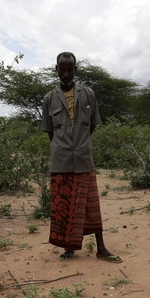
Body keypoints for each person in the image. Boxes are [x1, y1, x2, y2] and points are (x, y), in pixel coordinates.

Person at [41, 52, 121, 263]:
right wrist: (65, 145)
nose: (66, 73)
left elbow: (93, 123)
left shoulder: (88, 94)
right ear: (56, 69)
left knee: (91, 203)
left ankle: (101, 248)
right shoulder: (49, 98)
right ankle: (69, 248)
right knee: (64, 205)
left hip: (84, 157)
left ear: (75, 69)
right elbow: (50, 132)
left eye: (70, 69)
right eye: (62, 69)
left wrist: (80, 143)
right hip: (61, 159)